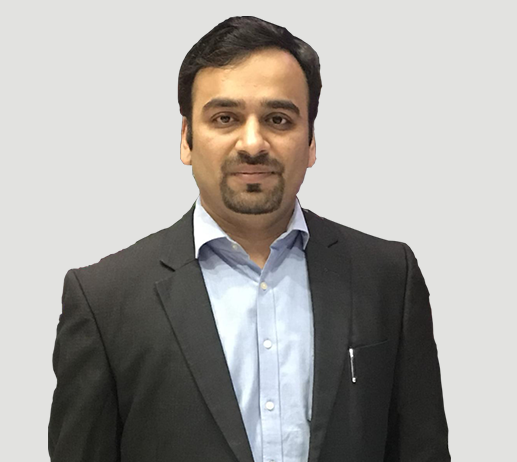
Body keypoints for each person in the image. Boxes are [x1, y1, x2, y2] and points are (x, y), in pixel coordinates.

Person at [48, 16, 450, 462]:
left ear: (311, 141)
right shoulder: (105, 301)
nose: (253, 143)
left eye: (278, 119)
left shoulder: (388, 278)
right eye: (225, 118)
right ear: (186, 140)